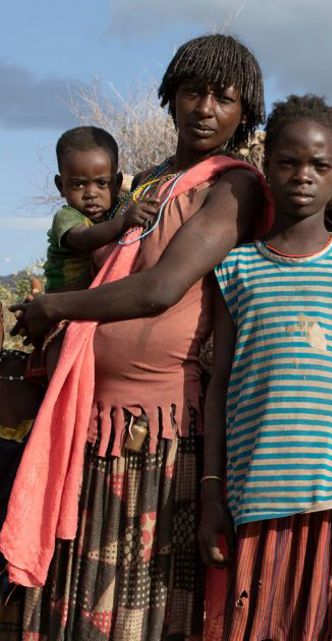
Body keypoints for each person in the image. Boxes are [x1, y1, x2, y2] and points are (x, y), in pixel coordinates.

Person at [3, 34, 270, 641]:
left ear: (244, 112)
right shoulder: (145, 184)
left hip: (157, 431)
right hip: (92, 418)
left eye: (223, 98)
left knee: (137, 605)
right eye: (192, 92)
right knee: (75, 586)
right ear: (170, 98)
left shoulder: (234, 186)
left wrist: (55, 306)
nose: (205, 108)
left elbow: (160, 289)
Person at [200, 94, 332, 641]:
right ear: (266, 166)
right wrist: (212, 492)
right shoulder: (235, 270)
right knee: (251, 623)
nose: (303, 175)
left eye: (319, 165)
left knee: (319, 626)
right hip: (253, 488)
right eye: (288, 162)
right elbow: (219, 386)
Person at [44, 126, 151, 294]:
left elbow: (137, 193)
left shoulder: (118, 206)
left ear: (116, 184)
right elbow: (83, 239)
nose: (91, 194)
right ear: (60, 186)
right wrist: (123, 222)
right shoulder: (67, 217)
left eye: (102, 183)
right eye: (78, 184)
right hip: (64, 298)